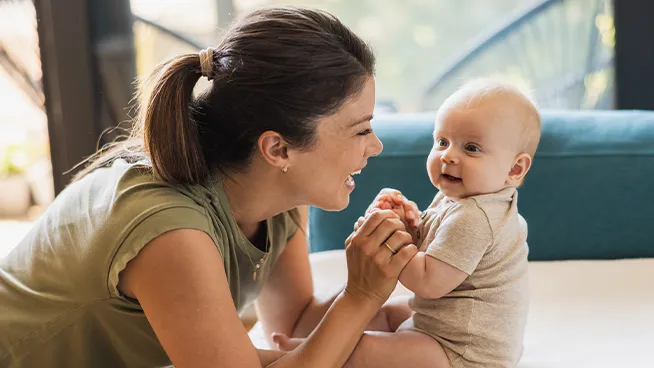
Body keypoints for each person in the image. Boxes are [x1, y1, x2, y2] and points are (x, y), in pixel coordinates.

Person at [0, 6, 419, 367]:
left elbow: (293, 324)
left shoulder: (277, 195)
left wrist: (418, 310)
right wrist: (361, 294)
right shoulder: (171, 231)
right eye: (361, 130)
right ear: (278, 148)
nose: (376, 146)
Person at [275, 79, 541, 368]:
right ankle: (312, 344)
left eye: (472, 148)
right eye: (442, 141)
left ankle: (302, 356)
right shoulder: (457, 199)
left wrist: (389, 240)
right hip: (444, 324)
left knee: (366, 350)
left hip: (463, 354)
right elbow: (436, 250)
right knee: (388, 312)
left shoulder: (477, 218)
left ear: (515, 168)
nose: (449, 155)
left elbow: (428, 281)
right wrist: (409, 226)